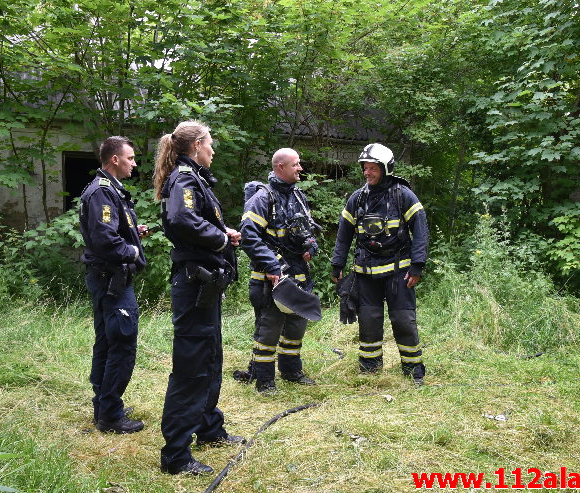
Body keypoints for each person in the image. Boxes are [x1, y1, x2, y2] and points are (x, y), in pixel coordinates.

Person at [154, 121, 245, 476]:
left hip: (205, 285)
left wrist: (221, 232)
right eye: (210, 144)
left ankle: (208, 428)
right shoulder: (185, 178)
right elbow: (180, 218)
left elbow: (194, 221)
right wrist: (220, 239)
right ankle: (176, 455)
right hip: (194, 285)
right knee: (192, 366)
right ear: (196, 147)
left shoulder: (194, 177)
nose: (213, 150)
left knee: (209, 357)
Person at [330, 143, 429, 385]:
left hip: (399, 272)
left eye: (372, 168)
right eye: (365, 168)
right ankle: (370, 368)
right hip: (365, 273)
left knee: (403, 320)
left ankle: (413, 369)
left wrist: (417, 265)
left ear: (385, 169)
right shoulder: (357, 199)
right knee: (369, 320)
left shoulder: (402, 195)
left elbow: (420, 229)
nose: (367, 172)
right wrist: (337, 264)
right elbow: (344, 235)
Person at [234, 148, 319, 395]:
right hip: (270, 278)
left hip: (298, 275)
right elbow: (249, 237)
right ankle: (264, 380)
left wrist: (310, 246)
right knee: (269, 329)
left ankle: (292, 372)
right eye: (296, 164)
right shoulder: (262, 198)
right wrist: (272, 265)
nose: (301, 168)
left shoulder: (298, 196)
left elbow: (306, 230)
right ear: (280, 167)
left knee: (296, 326)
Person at [79, 136, 148, 434]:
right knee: (121, 342)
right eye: (130, 158)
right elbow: (105, 239)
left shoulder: (111, 192)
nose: (134, 163)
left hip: (107, 278)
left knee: (108, 341)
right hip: (112, 280)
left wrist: (135, 233)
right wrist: (133, 251)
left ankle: (104, 404)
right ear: (114, 160)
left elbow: (111, 229)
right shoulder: (102, 193)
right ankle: (110, 414)